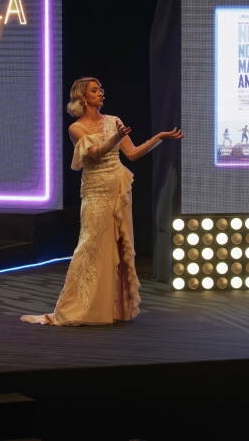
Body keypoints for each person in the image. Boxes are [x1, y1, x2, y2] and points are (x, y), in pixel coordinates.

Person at [20, 77, 183, 326]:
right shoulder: (76, 128)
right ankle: (78, 307)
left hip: (118, 188)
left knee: (116, 246)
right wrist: (115, 137)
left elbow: (132, 153)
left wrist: (159, 137)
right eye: (94, 90)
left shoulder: (114, 120)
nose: (100, 93)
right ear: (83, 97)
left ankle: (111, 307)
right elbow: (95, 153)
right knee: (90, 246)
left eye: (101, 89)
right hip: (95, 191)